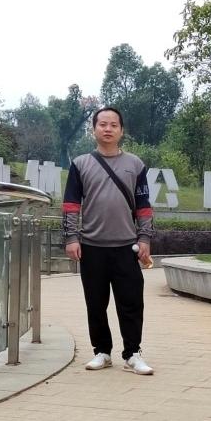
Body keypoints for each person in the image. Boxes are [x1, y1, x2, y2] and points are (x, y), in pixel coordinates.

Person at [62, 107, 154, 375]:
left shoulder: (135, 165)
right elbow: (70, 205)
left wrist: (145, 237)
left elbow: (144, 206)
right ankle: (101, 352)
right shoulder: (80, 164)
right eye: (102, 124)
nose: (108, 129)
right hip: (92, 246)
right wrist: (71, 237)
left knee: (131, 303)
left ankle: (133, 354)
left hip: (127, 246)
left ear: (121, 131)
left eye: (114, 124)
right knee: (95, 303)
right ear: (93, 130)